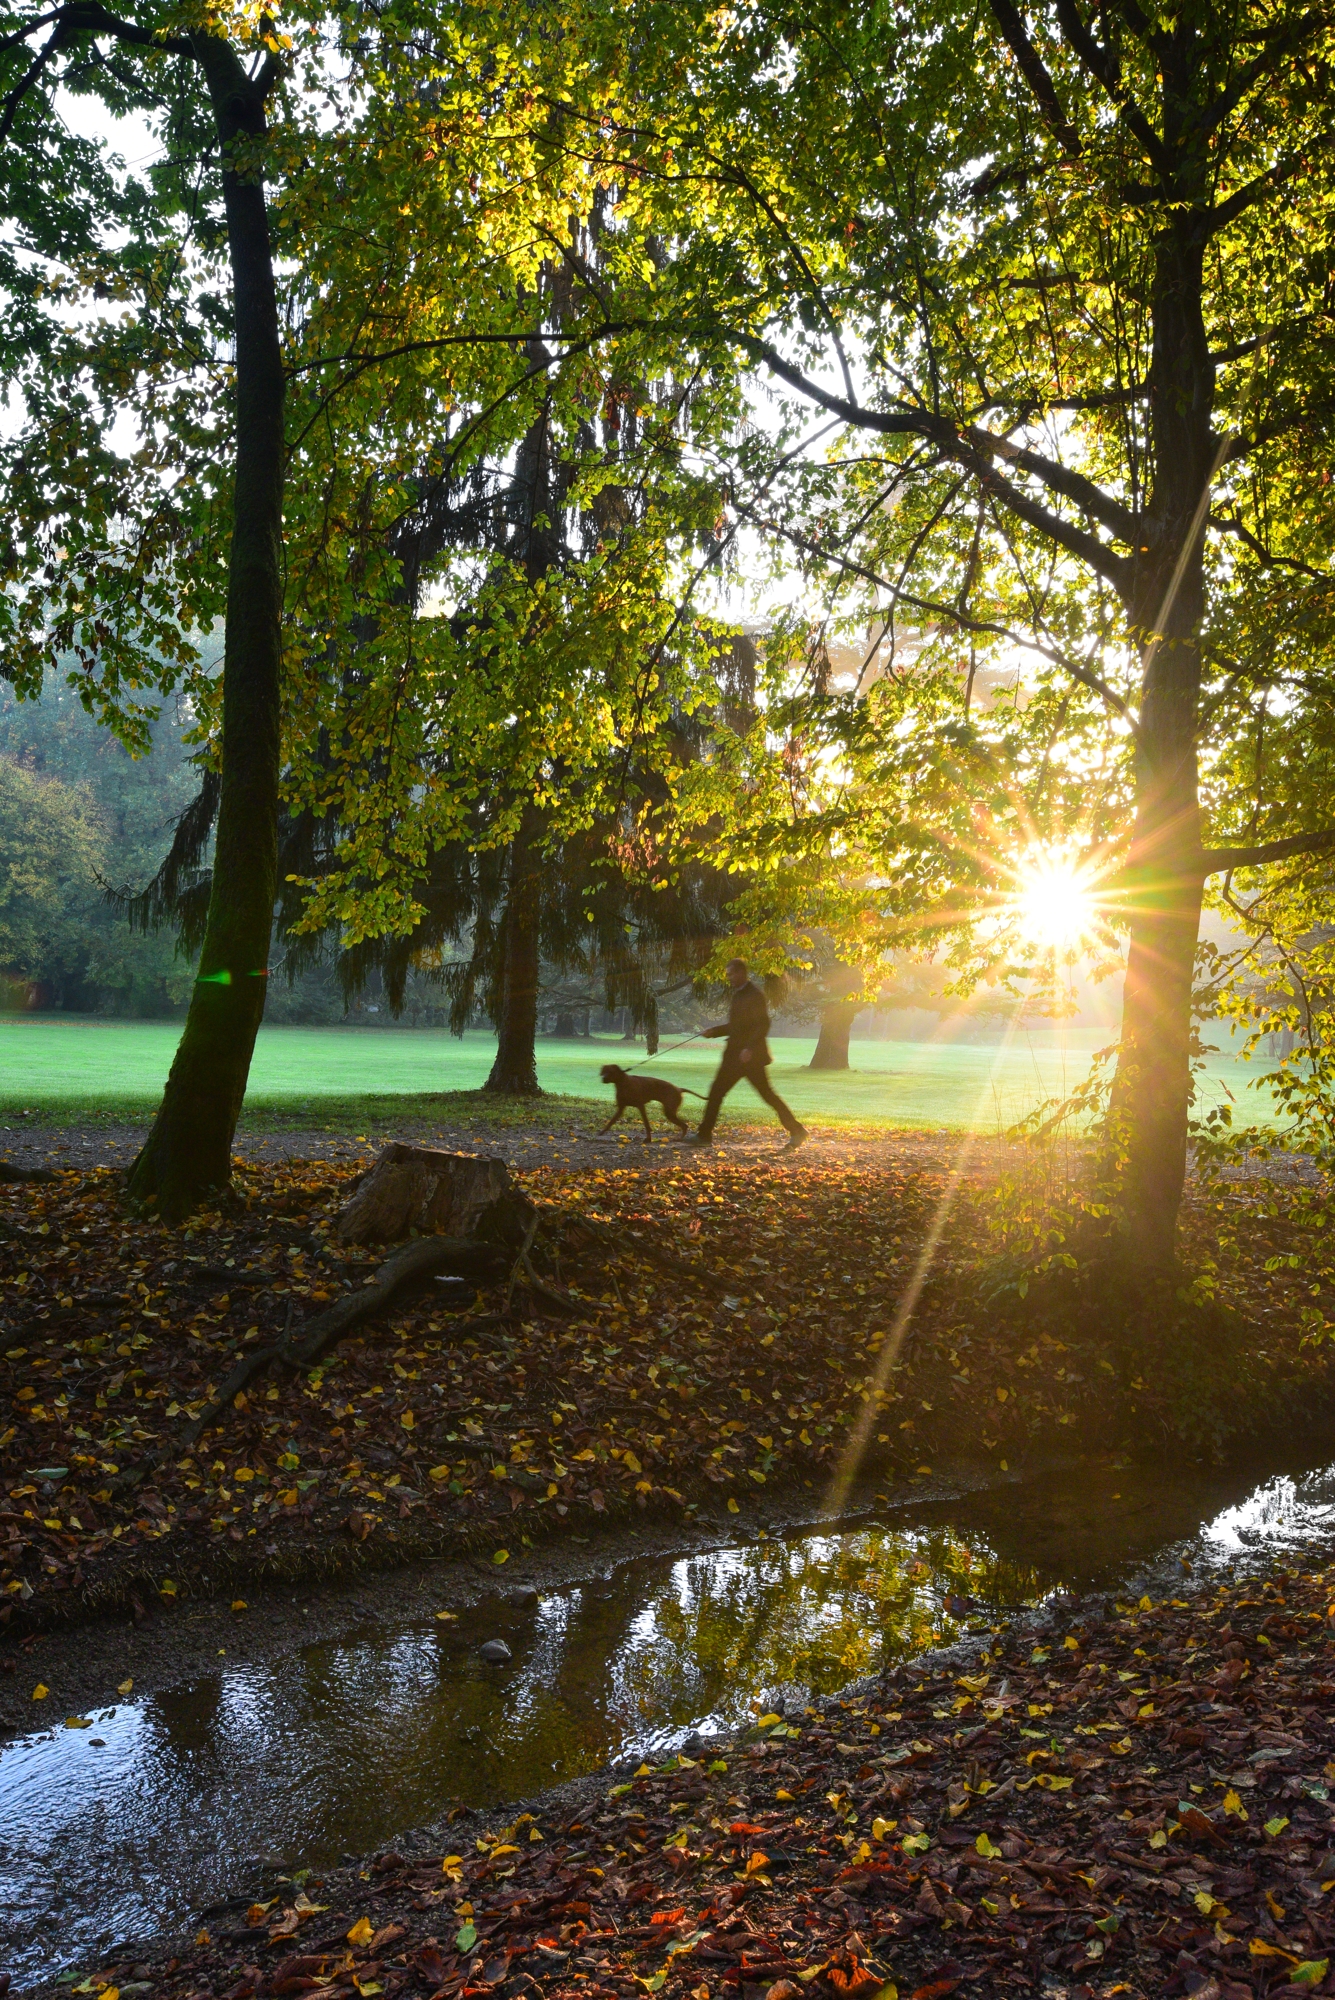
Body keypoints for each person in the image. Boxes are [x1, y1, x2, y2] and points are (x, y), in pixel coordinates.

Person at [687, 958, 808, 1150]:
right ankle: (704, 1135)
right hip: (735, 1057)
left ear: (742, 973)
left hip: (750, 1058)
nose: (730, 978)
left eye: (732, 974)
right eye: (728, 975)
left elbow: (763, 1024)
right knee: (717, 1092)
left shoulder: (755, 995)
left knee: (767, 1095)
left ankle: (797, 1131)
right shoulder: (739, 996)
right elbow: (737, 1027)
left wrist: (749, 1048)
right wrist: (714, 1031)